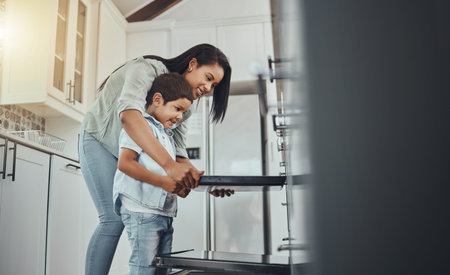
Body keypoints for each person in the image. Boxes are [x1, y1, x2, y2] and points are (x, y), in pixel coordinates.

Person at [78, 44, 232, 275]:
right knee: (112, 219)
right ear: (192, 65)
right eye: (208, 78)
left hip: (126, 152)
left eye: (214, 85)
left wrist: (207, 182)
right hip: (100, 141)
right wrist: (168, 167)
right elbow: (130, 117)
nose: (208, 88)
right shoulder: (146, 69)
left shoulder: (185, 107)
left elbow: (178, 152)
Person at [113, 73, 193, 274]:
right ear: (157, 100)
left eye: (183, 113)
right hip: (142, 211)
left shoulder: (167, 135)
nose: (179, 117)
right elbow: (125, 163)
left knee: (162, 269)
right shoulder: (143, 128)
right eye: (177, 109)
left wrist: (180, 187)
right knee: (145, 268)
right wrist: (163, 183)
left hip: (163, 213)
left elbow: (166, 173)